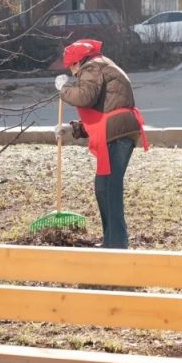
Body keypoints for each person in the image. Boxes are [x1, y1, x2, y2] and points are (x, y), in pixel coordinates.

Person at [55, 39, 148, 249]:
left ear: (79, 61)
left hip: (117, 132)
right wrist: (72, 129)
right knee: (103, 187)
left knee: (110, 187)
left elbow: (85, 97)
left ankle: (117, 243)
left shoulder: (93, 66)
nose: (72, 72)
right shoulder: (102, 66)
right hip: (117, 129)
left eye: (72, 66)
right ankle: (111, 239)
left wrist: (64, 88)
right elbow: (102, 111)